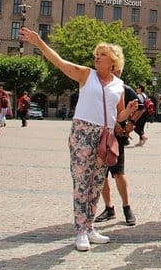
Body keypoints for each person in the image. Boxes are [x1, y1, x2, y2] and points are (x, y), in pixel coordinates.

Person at [19, 26, 141, 252]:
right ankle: (80, 231)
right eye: (96, 54)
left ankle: (90, 226)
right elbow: (60, 62)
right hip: (83, 132)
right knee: (81, 183)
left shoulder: (119, 86)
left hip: (105, 135)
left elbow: (119, 116)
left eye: (102, 54)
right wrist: (39, 43)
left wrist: (130, 111)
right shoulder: (86, 74)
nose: (97, 57)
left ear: (113, 61)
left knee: (96, 184)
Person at [95, 83, 145, 226]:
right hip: (99, 135)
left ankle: (126, 207)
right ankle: (109, 208)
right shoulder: (97, 87)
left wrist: (131, 123)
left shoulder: (123, 88)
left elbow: (140, 108)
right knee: (101, 173)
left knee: (118, 173)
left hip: (116, 138)